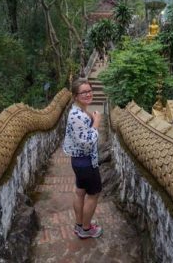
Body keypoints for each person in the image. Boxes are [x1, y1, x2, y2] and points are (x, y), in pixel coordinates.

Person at [64, 78, 103, 239]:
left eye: (89, 90)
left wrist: (91, 118)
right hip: (86, 162)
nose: (88, 94)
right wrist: (96, 123)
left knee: (80, 192)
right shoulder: (76, 116)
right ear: (75, 96)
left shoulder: (79, 111)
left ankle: (79, 225)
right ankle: (86, 229)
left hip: (79, 162)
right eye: (83, 92)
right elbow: (86, 143)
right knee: (93, 195)